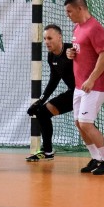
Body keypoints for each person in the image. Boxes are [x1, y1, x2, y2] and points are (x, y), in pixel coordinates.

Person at [64, 0, 104, 175]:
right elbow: (81, 51)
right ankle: (96, 158)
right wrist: (71, 52)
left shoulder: (95, 28)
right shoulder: (77, 28)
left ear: (80, 8)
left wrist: (92, 78)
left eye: (69, 11)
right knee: (79, 123)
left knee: (86, 123)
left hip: (95, 86)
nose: (68, 15)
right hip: (80, 86)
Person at [26, 24, 75, 162]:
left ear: (59, 37)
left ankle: (103, 157)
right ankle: (47, 151)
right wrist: (40, 101)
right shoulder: (51, 56)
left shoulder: (71, 50)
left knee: (85, 124)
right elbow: (54, 80)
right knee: (42, 112)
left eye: (49, 38)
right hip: (73, 93)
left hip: (85, 92)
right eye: (45, 38)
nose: (46, 41)